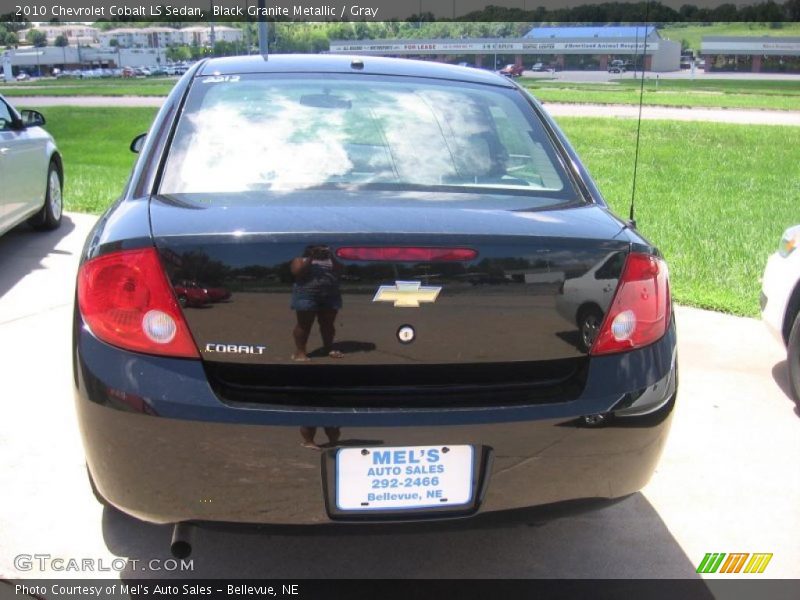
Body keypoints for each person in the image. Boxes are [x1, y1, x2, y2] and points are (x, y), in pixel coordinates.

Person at [290, 245, 343, 361]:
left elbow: (340, 271)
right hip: (306, 295)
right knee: (304, 324)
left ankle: (328, 348)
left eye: (323, 248)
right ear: (309, 250)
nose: (321, 251)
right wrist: (311, 257)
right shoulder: (300, 260)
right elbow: (297, 272)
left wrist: (331, 256)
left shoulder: (331, 261)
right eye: (317, 249)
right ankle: (300, 352)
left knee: (328, 324)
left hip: (330, 295)